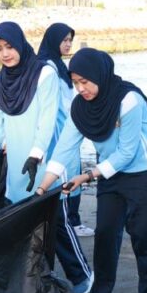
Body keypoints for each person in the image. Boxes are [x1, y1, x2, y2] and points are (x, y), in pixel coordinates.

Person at [36, 48, 147, 293]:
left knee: (145, 239)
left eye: (85, 81)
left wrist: (86, 176)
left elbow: (127, 152)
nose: (81, 88)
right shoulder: (81, 107)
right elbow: (65, 146)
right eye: (75, 82)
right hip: (110, 175)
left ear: (100, 75)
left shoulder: (128, 100)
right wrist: (44, 185)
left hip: (145, 171)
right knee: (106, 236)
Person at [0, 22, 92, 293]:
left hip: (47, 161)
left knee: (58, 223)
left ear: (21, 44)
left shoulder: (44, 74)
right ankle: (39, 278)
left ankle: (84, 278)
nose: (5, 54)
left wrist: (36, 153)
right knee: (28, 224)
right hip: (19, 163)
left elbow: (48, 118)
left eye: (10, 47)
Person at [37, 22, 93, 238]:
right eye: (64, 40)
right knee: (65, 173)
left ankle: (68, 219)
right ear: (54, 40)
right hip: (58, 129)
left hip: (65, 126)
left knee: (65, 172)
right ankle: (71, 221)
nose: (69, 44)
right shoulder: (48, 67)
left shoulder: (57, 64)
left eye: (70, 40)